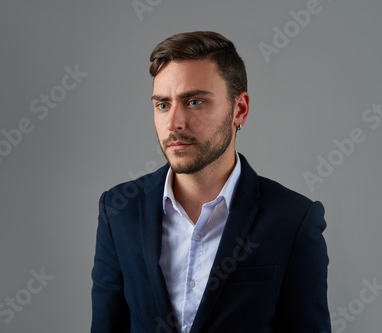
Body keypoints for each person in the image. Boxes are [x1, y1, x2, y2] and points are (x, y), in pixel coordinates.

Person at [91, 31, 331, 333]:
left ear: (239, 109)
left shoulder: (293, 220)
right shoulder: (119, 211)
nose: (174, 123)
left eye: (194, 101)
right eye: (163, 105)